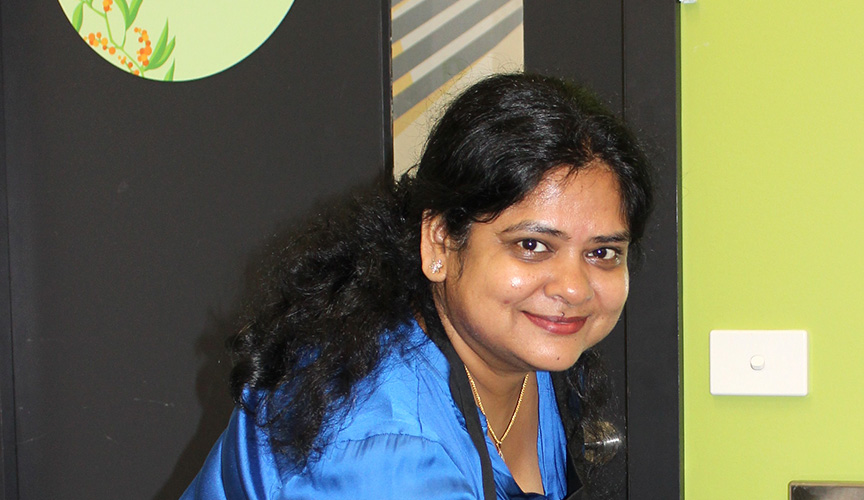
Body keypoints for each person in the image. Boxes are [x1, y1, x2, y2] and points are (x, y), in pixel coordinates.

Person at [181, 73, 653, 499]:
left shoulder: (525, 351)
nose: (574, 288)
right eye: (531, 245)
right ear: (440, 242)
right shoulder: (385, 452)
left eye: (602, 253)